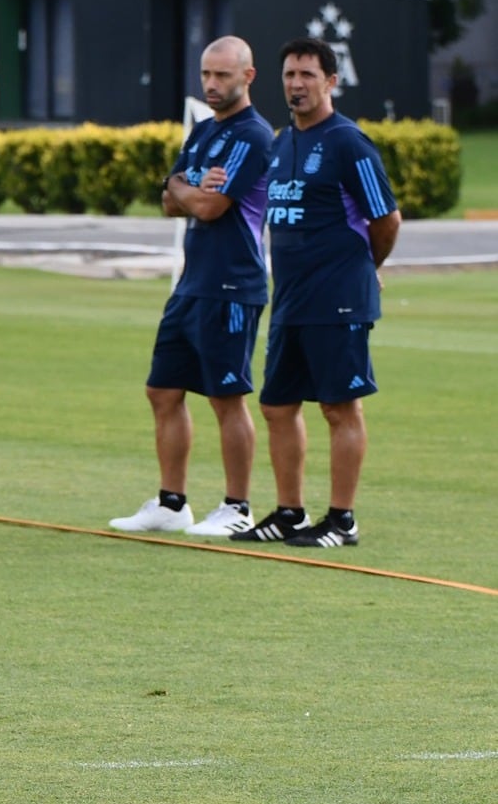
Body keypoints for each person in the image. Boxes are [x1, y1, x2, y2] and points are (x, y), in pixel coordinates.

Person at [232, 36, 400, 548]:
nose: (296, 84)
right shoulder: (282, 143)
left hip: (339, 298)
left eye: (307, 75)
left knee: (339, 408)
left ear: (330, 81)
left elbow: (386, 218)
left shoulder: (349, 143)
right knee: (277, 406)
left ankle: (343, 520)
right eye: (289, 74)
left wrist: (364, 265)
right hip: (291, 301)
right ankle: (289, 513)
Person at [110, 36, 273, 536]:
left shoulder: (254, 135)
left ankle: (237, 508)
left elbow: (209, 207)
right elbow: (169, 200)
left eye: (223, 75)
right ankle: (171, 502)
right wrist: (184, 187)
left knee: (227, 397)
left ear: (248, 76)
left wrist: (185, 190)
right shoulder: (203, 132)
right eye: (206, 74)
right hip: (191, 282)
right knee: (162, 390)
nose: (212, 84)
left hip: (233, 284)